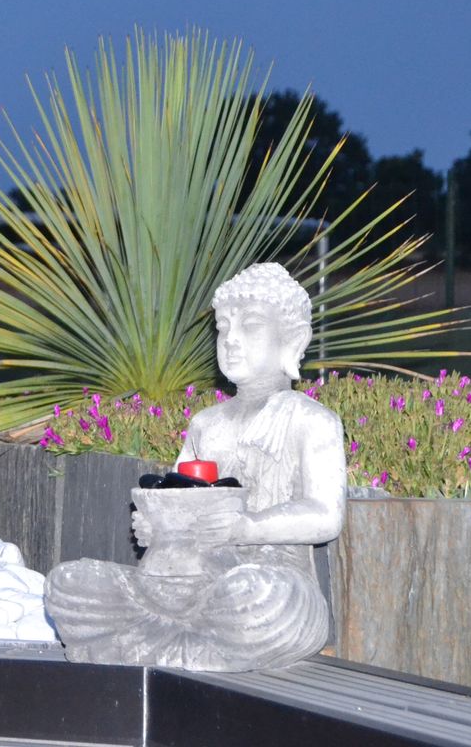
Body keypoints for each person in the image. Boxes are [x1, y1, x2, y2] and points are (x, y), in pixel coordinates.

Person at [45, 262, 346, 671]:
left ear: (293, 339)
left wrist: (248, 528)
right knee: (70, 584)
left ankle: (156, 642)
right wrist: (155, 525)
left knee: (255, 600)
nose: (232, 340)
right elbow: (177, 497)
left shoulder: (312, 421)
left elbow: (326, 517)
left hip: (267, 582)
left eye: (250, 326)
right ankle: (188, 643)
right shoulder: (207, 424)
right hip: (183, 580)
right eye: (223, 327)